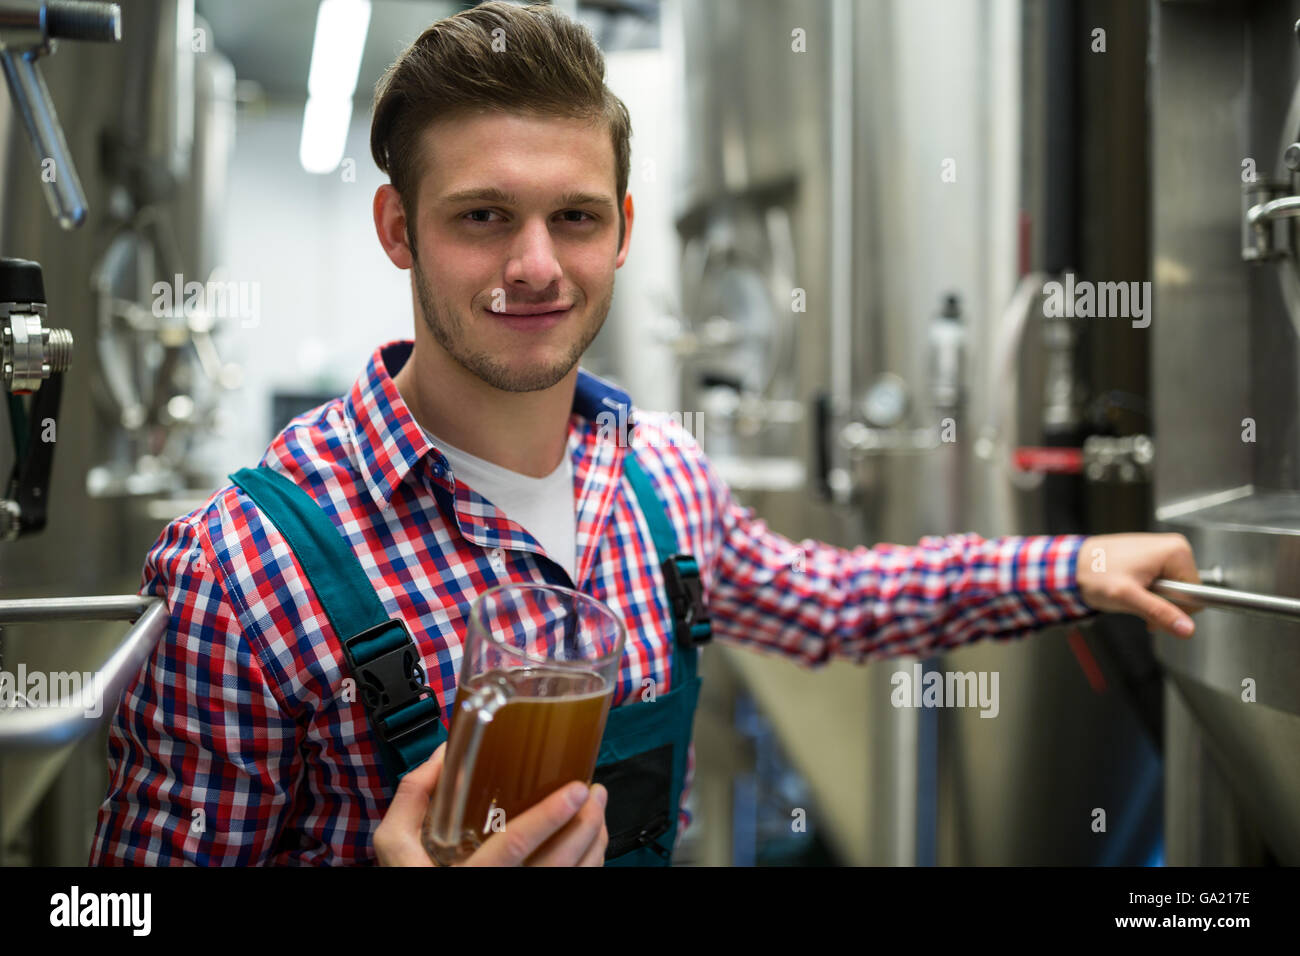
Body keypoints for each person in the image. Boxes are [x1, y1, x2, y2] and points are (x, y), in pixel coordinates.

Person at [90, 1, 1203, 868]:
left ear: (622, 230)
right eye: (483, 217)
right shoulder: (241, 568)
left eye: (573, 217)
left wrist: (1075, 562)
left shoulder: (656, 475)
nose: (535, 263)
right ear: (399, 230)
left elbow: (827, 599)